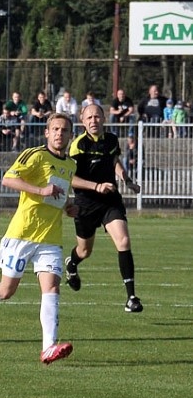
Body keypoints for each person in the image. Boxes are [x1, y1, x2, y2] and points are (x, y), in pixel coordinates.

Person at [0, 113, 78, 365]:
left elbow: (55, 194)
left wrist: (66, 207)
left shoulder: (70, 165)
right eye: (55, 129)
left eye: (64, 130)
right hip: (22, 234)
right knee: (5, 291)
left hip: (51, 237)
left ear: (70, 135)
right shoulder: (35, 155)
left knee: (51, 287)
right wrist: (41, 190)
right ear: (47, 132)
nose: (59, 133)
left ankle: (48, 347)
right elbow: (8, 178)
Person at [64, 104, 143, 313]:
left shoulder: (111, 140)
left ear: (103, 118)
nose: (93, 121)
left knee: (123, 240)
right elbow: (71, 178)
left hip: (109, 200)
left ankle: (131, 298)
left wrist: (127, 180)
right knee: (84, 251)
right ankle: (71, 265)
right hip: (86, 204)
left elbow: (114, 160)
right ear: (83, 120)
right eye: (89, 117)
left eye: (97, 117)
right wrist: (96, 186)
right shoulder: (78, 145)